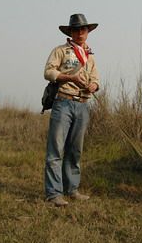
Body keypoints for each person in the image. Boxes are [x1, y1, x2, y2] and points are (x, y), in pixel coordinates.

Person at [43, 13, 100, 207]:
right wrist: (70, 78)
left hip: (83, 105)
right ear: (70, 32)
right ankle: (53, 193)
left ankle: (72, 189)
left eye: (83, 29)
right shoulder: (60, 51)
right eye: (76, 29)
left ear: (87, 32)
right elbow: (48, 72)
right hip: (64, 102)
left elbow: (96, 79)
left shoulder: (90, 56)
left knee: (75, 150)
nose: (80, 33)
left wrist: (93, 86)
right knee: (56, 149)